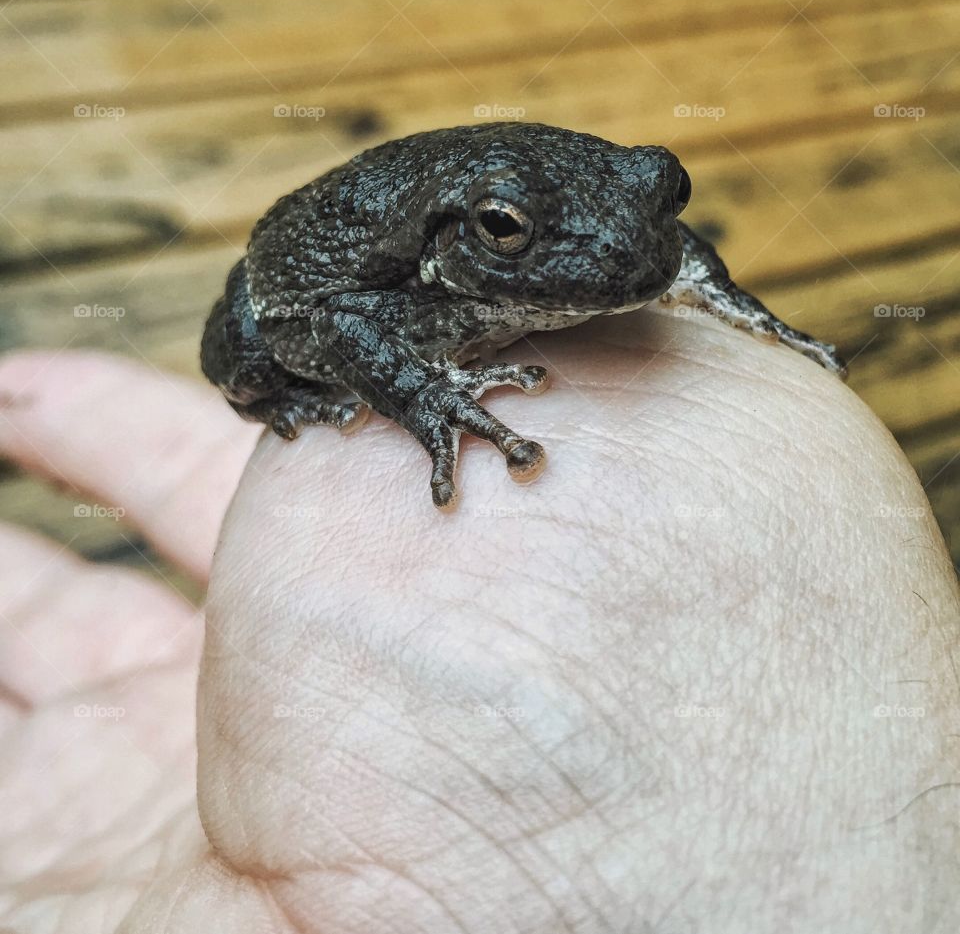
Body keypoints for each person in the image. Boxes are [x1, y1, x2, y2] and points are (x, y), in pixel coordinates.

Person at [0, 308, 957, 933]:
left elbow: (646, 238)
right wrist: (428, 395)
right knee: (249, 345)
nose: (631, 254)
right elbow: (335, 315)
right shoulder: (411, 277)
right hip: (303, 287)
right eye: (505, 235)